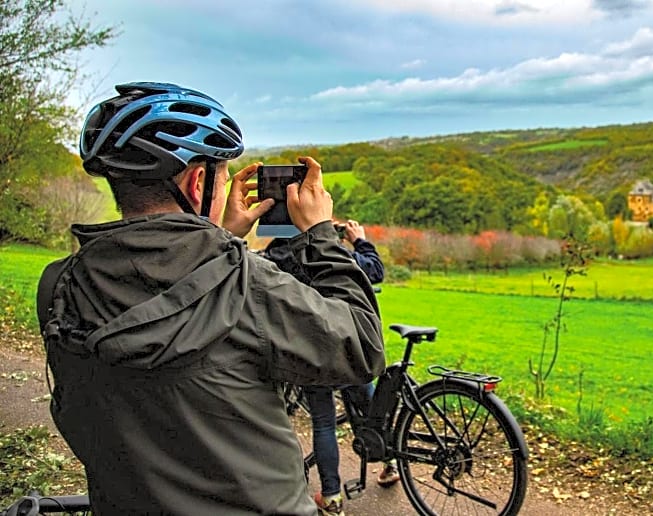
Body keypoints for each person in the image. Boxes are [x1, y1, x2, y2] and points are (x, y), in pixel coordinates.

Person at [36, 82, 385, 515]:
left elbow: (165, 301)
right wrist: (321, 235)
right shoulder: (251, 287)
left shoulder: (60, 286)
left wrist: (221, 237)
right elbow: (362, 348)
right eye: (222, 175)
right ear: (198, 182)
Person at [264, 220, 397, 516]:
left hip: (312, 351)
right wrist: (359, 240)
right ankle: (390, 463)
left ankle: (333, 498)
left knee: (323, 423)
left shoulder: (275, 255)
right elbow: (374, 270)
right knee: (370, 409)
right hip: (348, 345)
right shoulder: (330, 251)